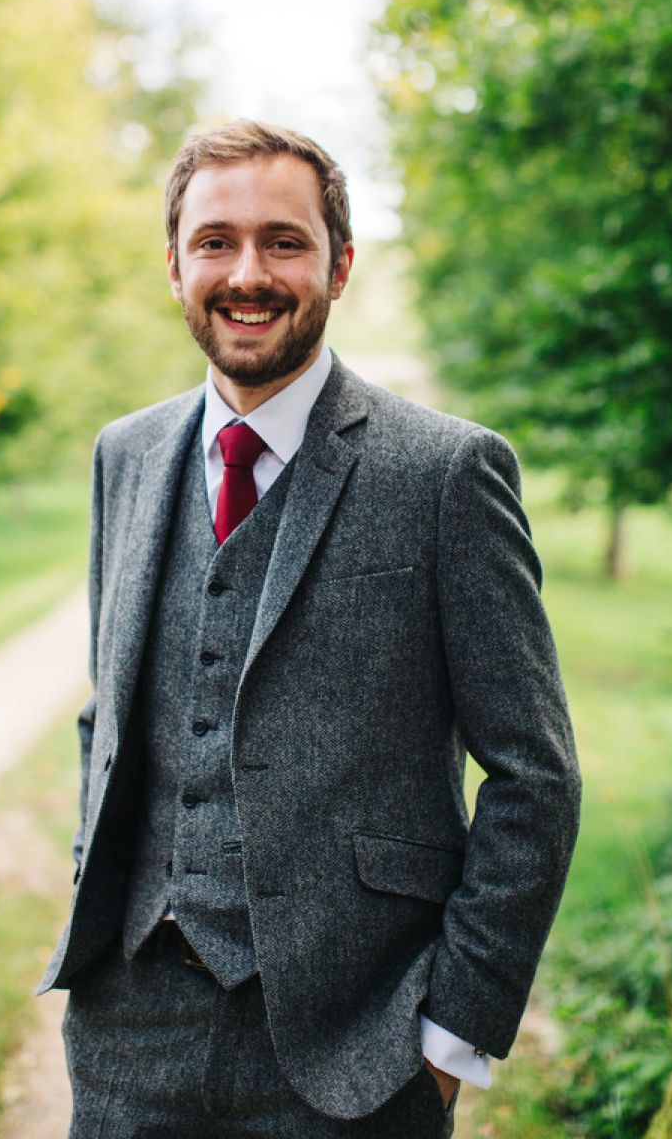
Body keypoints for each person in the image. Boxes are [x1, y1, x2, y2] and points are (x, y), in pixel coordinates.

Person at [38, 120, 581, 1137]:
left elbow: (535, 775)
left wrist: (449, 1041)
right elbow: (109, 717)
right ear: (174, 265)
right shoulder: (126, 455)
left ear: (340, 265)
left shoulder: (447, 475)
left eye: (284, 241)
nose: (249, 273)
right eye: (216, 242)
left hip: (356, 1057)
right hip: (125, 1043)